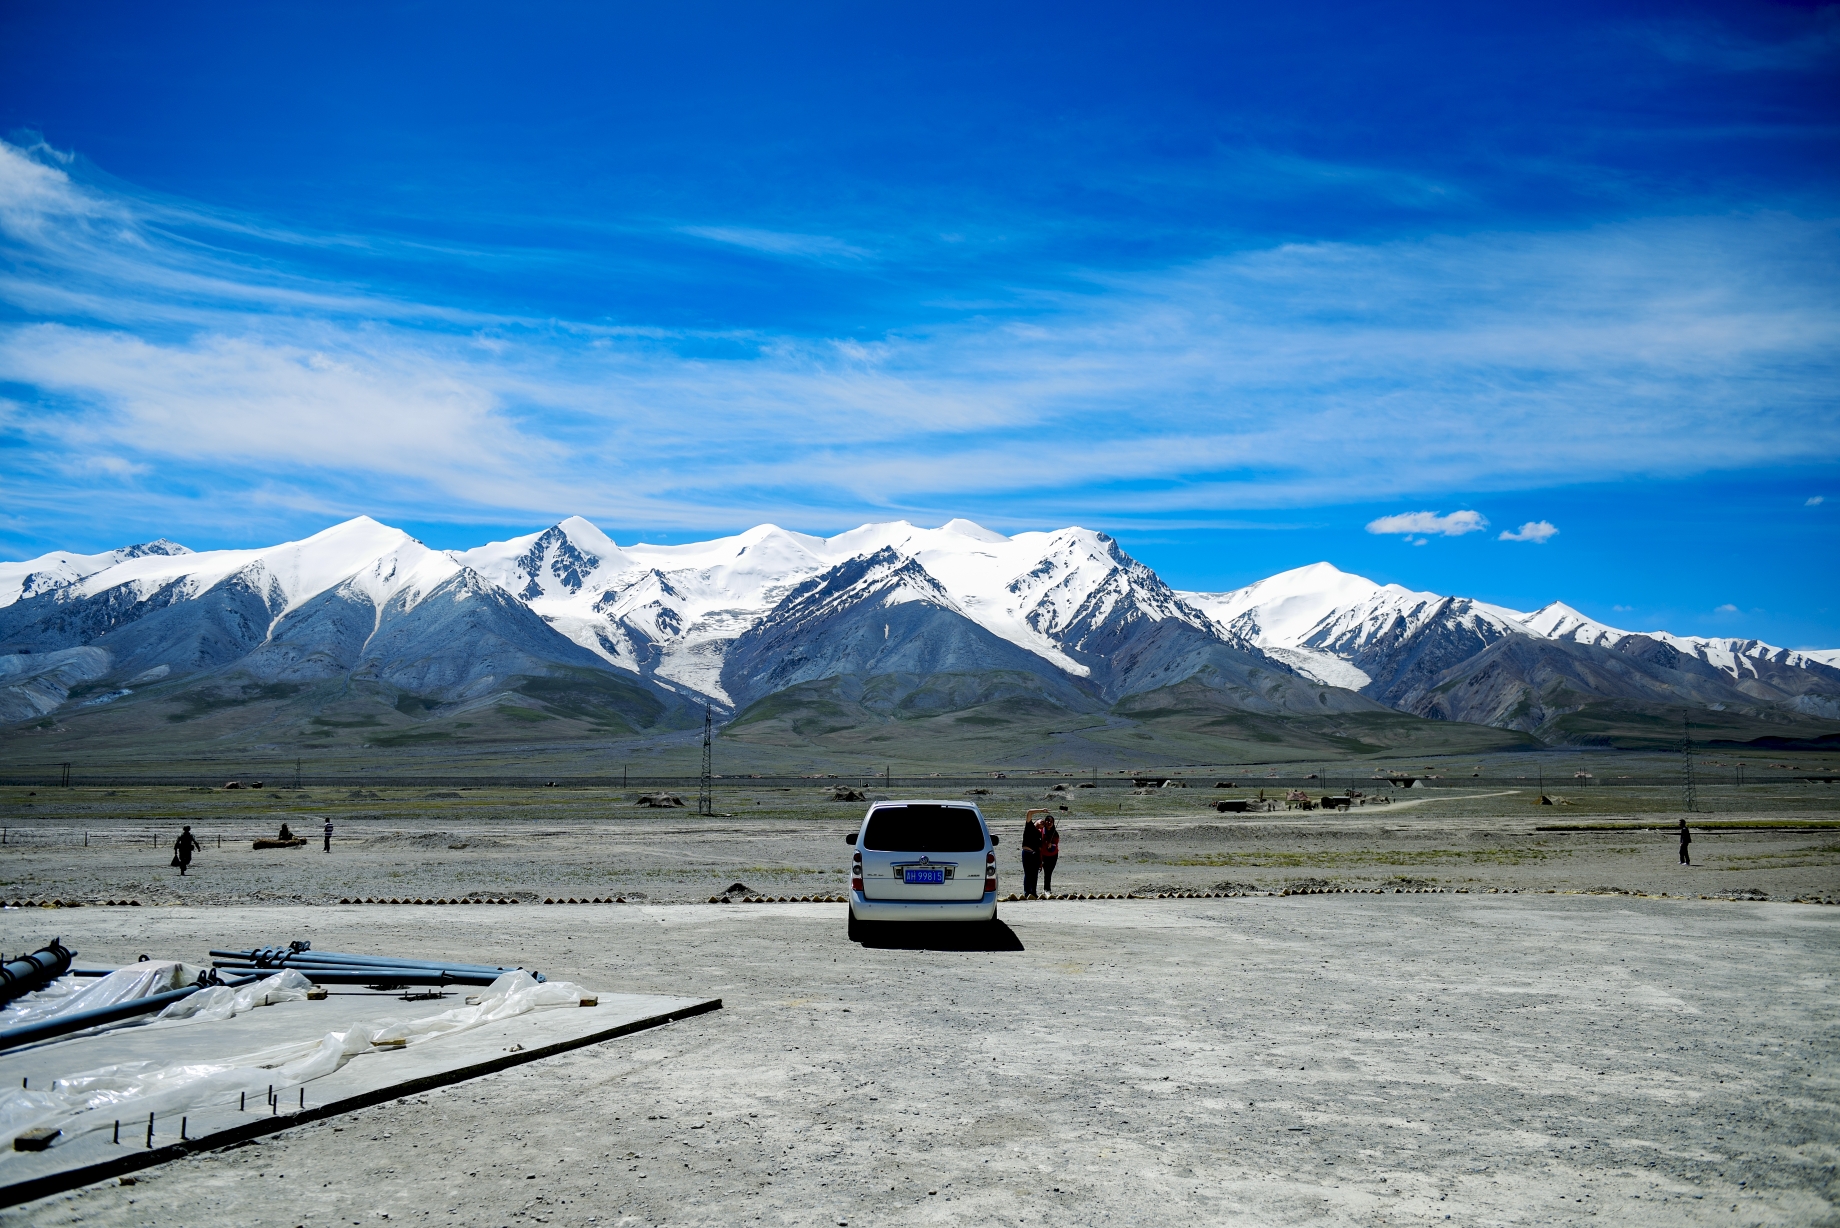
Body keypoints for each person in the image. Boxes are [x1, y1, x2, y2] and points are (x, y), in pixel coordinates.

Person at [1020, 811, 1043, 897]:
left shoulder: (1040, 834)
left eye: (1043, 823)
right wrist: (1042, 810)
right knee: (1027, 873)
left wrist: (1041, 861)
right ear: (1036, 821)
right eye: (1041, 821)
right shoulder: (1029, 826)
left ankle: (1033, 892)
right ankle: (1027, 892)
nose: (1042, 823)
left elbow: (1040, 849)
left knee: (1035, 874)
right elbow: (1029, 812)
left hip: (1035, 854)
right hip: (1027, 853)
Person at [1039, 815, 1060, 895]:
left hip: (1053, 855)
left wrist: (1051, 846)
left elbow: (1055, 845)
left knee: (1049, 872)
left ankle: (1047, 889)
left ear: (1053, 823)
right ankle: (1046, 889)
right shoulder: (1041, 831)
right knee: (1046, 871)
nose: (1049, 822)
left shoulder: (1055, 834)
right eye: (1047, 820)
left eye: (1051, 821)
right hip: (1043, 855)